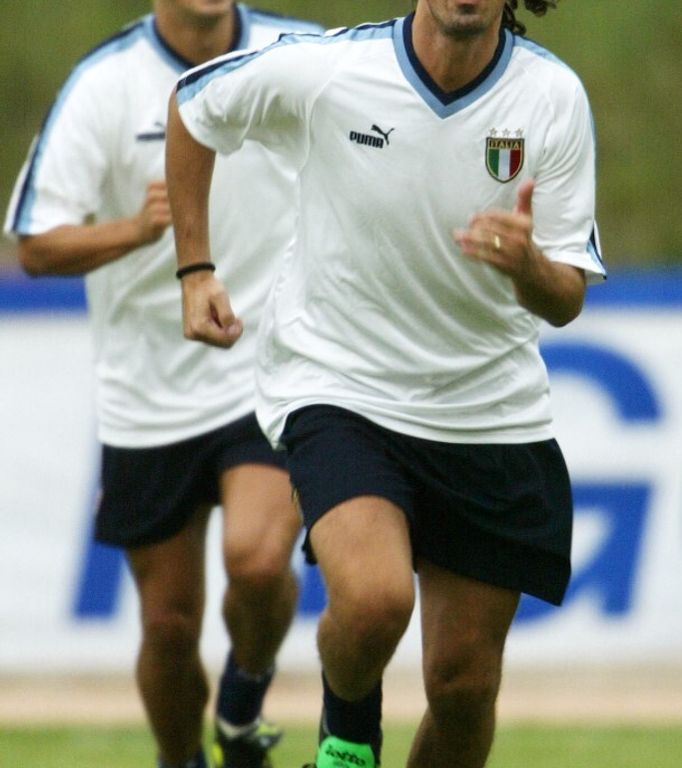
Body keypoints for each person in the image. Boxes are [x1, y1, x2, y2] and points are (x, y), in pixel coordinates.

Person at [165, 0, 606, 766]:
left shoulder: (552, 97)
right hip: (341, 384)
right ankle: (347, 732)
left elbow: (566, 296)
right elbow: (195, 105)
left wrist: (527, 265)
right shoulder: (333, 70)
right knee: (372, 604)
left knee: (464, 691)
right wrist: (195, 268)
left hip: (487, 413)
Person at [4, 3, 323, 767]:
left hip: (271, 364)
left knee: (255, 559)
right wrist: (136, 230)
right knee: (169, 628)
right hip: (147, 390)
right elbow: (36, 244)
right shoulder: (103, 84)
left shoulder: (305, 54)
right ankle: (180, 759)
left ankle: (243, 704)